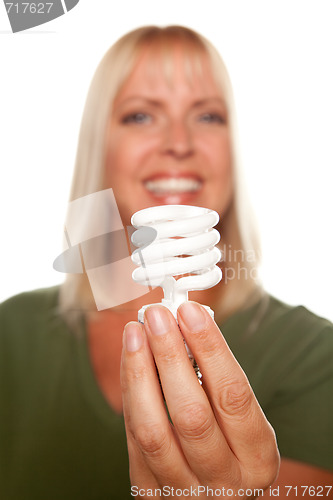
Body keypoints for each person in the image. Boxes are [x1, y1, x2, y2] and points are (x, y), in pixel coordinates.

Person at [0, 25, 332, 500]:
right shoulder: (11, 333)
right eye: (139, 116)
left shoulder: (314, 356)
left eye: (209, 116)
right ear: (100, 148)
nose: (178, 142)